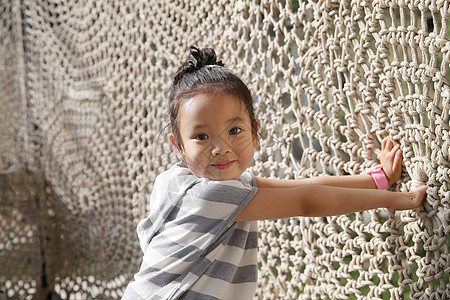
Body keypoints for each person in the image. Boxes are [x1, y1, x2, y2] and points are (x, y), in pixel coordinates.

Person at [122, 46, 427, 300]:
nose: (221, 148)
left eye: (234, 130)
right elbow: (305, 201)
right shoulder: (209, 194)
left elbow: (301, 186)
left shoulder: (180, 182)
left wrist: (376, 180)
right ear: (178, 146)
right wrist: (391, 200)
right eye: (201, 137)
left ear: (255, 133)